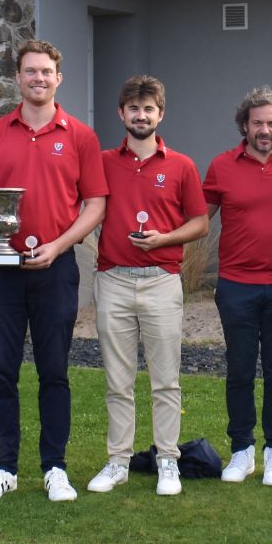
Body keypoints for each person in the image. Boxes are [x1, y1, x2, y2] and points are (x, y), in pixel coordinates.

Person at [0, 40, 108, 503]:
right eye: (30, 71)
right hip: (0, 271)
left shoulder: (80, 136)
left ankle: (54, 467)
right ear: (18, 79)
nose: (38, 78)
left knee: (54, 372)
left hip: (55, 269)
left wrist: (60, 245)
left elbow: (95, 204)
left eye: (46, 71)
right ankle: (4, 467)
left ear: (58, 78)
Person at [87, 75, 209, 497]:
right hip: (113, 280)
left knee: (166, 380)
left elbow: (200, 222)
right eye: (134, 109)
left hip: (161, 280)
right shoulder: (103, 161)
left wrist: (164, 239)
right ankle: (118, 461)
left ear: (161, 114)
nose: (141, 116)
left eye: (148, 109)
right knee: (117, 381)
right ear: (121, 113)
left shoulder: (181, 165)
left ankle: (167, 460)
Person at [202, 86, 272, 488]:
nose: (264, 130)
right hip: (236, 286)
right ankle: (242, 450)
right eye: (257, 123)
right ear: (244, 126)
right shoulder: (221, 166)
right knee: (240, 371)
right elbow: (199, 216)